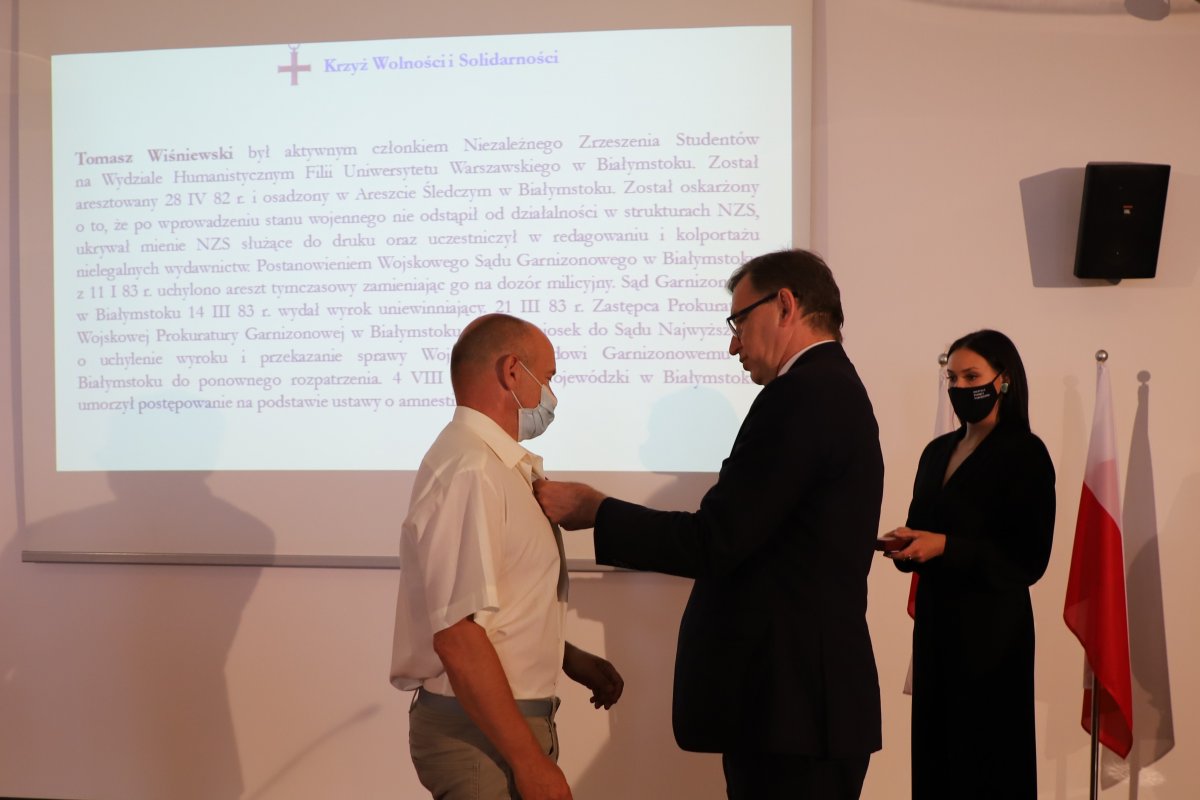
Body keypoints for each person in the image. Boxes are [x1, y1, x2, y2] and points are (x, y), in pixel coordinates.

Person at [534, 249, 884, 800]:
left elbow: (715, 541)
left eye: (739, 322)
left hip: (791, 710)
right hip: (800, 707)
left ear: (785, 305)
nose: (733, 345)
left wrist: (597, 511)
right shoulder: (829, 388)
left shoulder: (803, 394)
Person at [390, 313, 624, 800]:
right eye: (549, 378)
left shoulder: (491, 465)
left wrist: (563, 654)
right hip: (482, 738)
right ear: (513, 371)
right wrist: (530, 763)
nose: (552, 395)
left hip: (497, 728)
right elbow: (457, 636)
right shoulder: (472, 470)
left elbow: (491, 608)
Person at [884, 329, 1055, 800]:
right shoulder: (936, 452)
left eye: (972, 377)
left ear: (1004, 380)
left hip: (992, 639)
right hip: (936, 629)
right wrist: (906, 546)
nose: (960, 387)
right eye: (953, 378)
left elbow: (1028, 558)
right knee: (936, 762)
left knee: (986, 765)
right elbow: (924, 528)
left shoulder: (1025, 453)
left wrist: (947, 547)